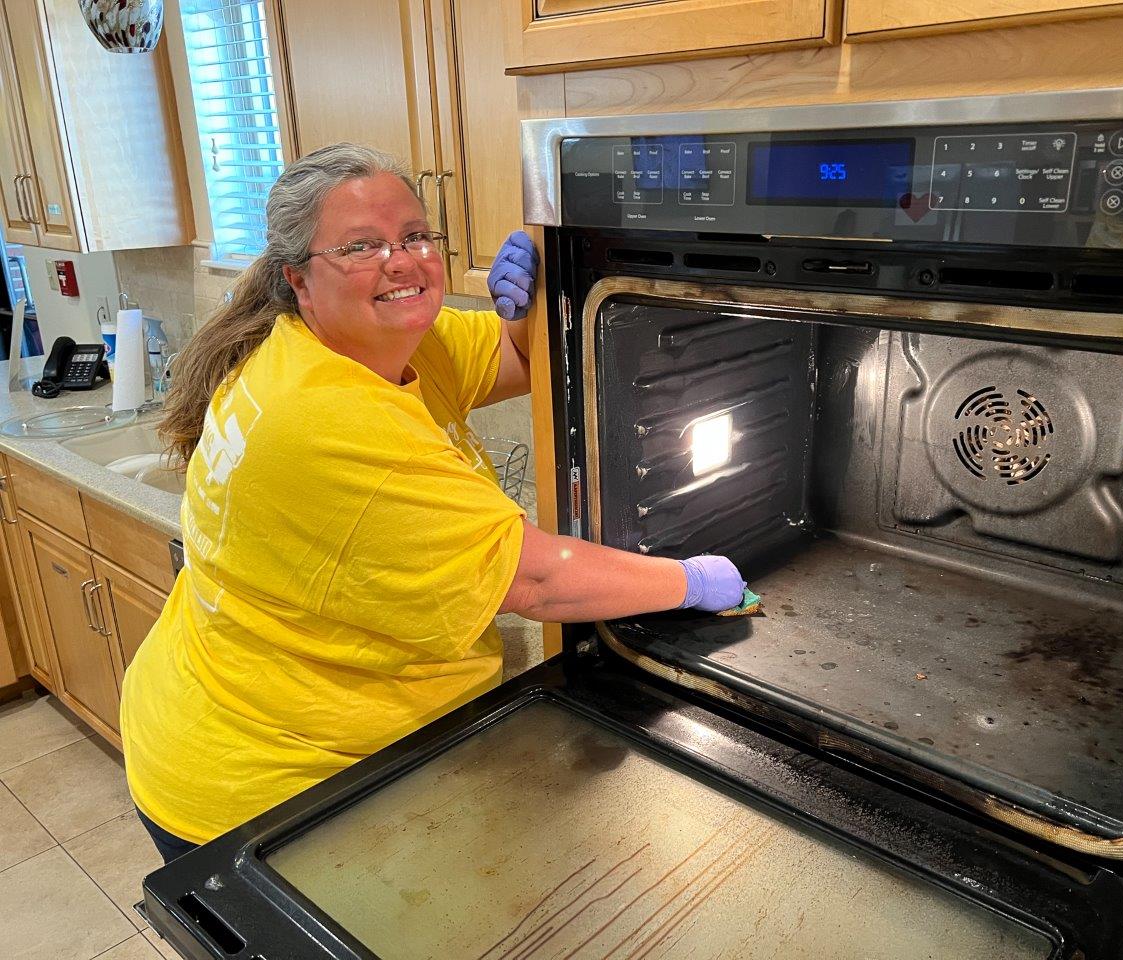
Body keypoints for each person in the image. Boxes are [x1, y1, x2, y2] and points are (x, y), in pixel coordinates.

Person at [118, 143, 745, 864]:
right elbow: (535, 579)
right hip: (268, 784)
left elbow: (515, 360)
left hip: (227, 707)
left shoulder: (376, 340)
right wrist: (690, 582)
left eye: (415, 236)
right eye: (362, 246)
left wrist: (532, 306)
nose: (402, 261)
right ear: (299, 280)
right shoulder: (326, 414)